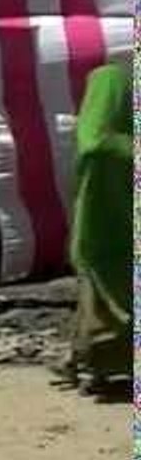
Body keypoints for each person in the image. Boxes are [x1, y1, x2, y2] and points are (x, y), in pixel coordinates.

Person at [62, 61, 131, 394]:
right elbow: (94, 140)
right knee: (105, 293)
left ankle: (86, 363)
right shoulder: (112, 80)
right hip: (107, 212)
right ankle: (93, 367)